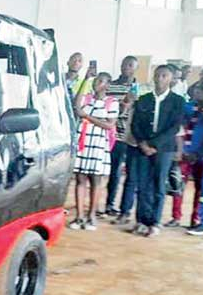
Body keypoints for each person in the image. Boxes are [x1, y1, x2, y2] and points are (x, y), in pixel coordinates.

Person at [128, 65, 185, 237]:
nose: (160, 78)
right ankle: (142, 220)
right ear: (153, 77)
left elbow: (174, 127)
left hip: (164, 149)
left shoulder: (177, 101)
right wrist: (143, 144)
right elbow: (135, 124)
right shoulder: (144, 99)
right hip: (143, 148)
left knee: (159, 184)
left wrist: (154, 144)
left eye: (164, 75)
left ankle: (155, 221)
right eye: (158, 75)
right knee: (143, 184)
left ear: (170, 79)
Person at [68, 72, 118, 230]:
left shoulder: (111, 102)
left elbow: (110, 125)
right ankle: (79, 216)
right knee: (80, 179)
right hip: (83, 142)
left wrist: (88, 117)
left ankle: (91, 216)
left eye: (101, 81)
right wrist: (86, 79)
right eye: (96, 80)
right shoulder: (87, 98)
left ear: (107, 85)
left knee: (96, 181)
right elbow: (77, 106)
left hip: (97, 144)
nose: (98, 83)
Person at [171, 81, 203, 229]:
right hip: (185, 152)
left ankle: (196, 219)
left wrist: (198, 153)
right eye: (198, 89)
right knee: (178, 185)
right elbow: (180, 127)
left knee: (201, 188)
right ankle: (176, 217)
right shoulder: (188, 107)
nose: (199, 92)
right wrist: (181, 150)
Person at [104, 56, 140, 218]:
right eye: (124, 64)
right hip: (113, 135)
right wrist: (122, 106)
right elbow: (106, 107)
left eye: (130, 65)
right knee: (113, 171)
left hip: (131, 136)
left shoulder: (140, 88)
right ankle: (109, 204)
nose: (126, 67)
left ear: (135, 68)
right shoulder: (111, 86)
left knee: (131, 175)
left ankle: (125, 209)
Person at [184, 85, 203, 235]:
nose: (199, 92)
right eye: (198, 89)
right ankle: (202, 221)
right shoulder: (195, 108)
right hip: (200, 153)